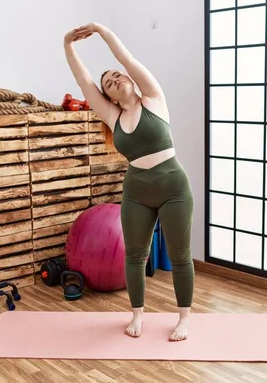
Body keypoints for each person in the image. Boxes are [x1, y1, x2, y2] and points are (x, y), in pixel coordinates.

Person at [63, 23, 195, 341]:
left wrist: (100, 30)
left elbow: (127, 58)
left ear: (129, 80)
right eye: (108, 82)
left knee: (180, 255)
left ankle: (184, 319)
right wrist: (68, 44)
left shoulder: (153, 98)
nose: (115, 79)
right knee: (135, 255)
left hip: (173, 187)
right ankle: (137, 314)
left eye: (117, 75)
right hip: (137, 191)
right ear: (110, 96)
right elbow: (84, 82)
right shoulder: (114, 118)